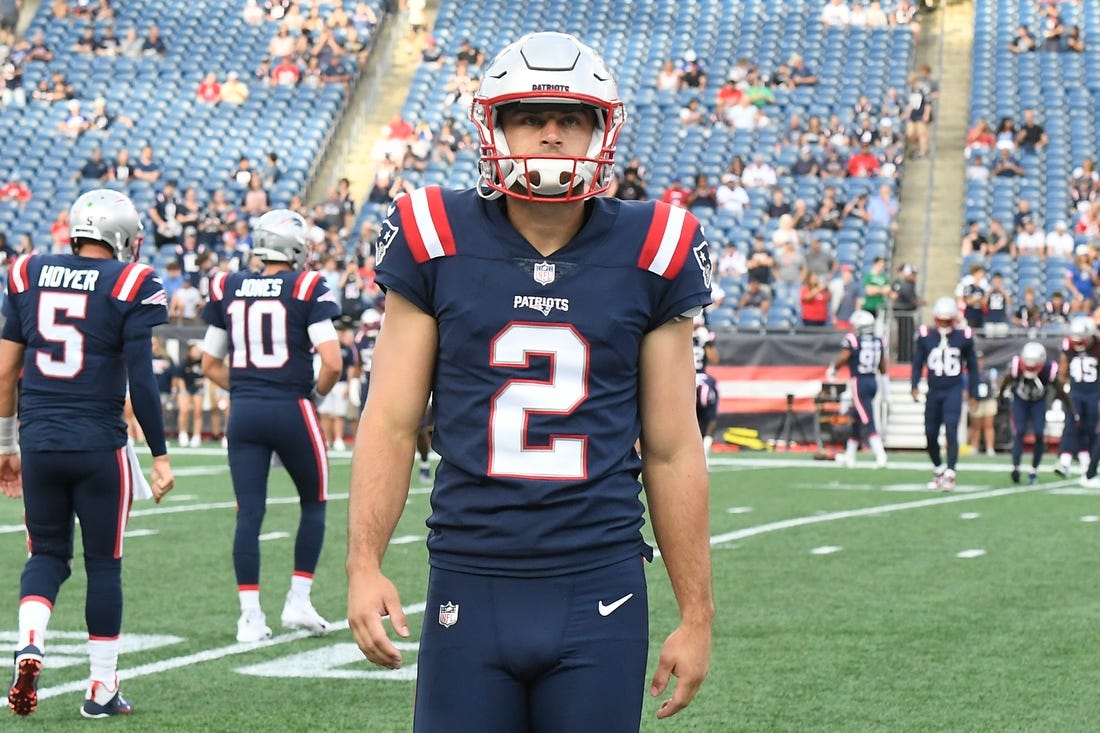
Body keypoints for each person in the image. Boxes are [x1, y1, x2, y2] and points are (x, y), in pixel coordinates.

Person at [345, 32, 713, 732]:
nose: (550, 134)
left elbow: (671, 447)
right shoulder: (434, 232)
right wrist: (364, 563)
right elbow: (390, 420)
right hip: (469, 575)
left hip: (599, 581)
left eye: (570, 118)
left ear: (600, 130)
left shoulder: (656, 246)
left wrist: (697, 613)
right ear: (494, 125)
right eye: (528, 115)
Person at [1, 189, 174, 718]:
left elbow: (6, 371)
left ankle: (30, 642)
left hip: (40, 441)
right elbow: (142, 381)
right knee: (104, 564)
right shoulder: (131, 282)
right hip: (99, 445)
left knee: (46, 555)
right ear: (121, 235)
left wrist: (5, 443)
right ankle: (100, 689)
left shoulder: (27, 272)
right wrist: (161, 454)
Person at [200, 209, 342, 643]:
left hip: (244, 412)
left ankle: (249, 617)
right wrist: (311, 395)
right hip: (290, 407)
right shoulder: (305, 286)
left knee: (249, 513)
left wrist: (247, 387)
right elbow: (333, 362)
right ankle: (298, 599)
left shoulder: (229, 285)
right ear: (295, 247)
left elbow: (209, 363)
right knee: (314, 502)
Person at [911, 296, 980, 491]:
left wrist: (974, 392)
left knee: (951, 429)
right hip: (933, 390)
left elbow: (973, 367)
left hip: (953, 389)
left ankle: (951, 472)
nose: (943, 324)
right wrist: (914, 384)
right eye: (940, 320)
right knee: (930, 433)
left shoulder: (963, 337)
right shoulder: (926, 336)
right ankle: (939, 469)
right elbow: (917, 363)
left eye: (946, 320)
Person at [997, 342, 1072, 484]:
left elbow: (1060, 390)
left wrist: (1070, 408)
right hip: (1021, 400)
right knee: (1019, 432)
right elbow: (1006, 381)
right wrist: (1000, 398)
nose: (1030, 368)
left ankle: (1034, 471)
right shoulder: (1017, 367)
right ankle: (1016, 467)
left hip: (1038, 401)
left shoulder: (1048, 370)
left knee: (1039, 433)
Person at [827, 310, 889, 468]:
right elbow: (882, 367)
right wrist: (885, 388)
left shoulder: (853, 340)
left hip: (859, 381)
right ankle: (850, 455)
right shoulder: (878, 341)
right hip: (872, 381)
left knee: (867, 419)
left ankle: (881, 454)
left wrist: (834, 368)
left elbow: (845, 357)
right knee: (856, 419)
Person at [1056, 317, 1100, 476]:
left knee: (1090, 427)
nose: (1079, 342)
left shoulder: (1097, 346)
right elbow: (1063, 367)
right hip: (1075, 391)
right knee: (1072, 423)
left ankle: (1087, 459)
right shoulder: (1068, 344)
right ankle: (1065, 461)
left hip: (1094, 392)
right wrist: (1064, 381)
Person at [693, 322, 719, 465]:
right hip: (679, 379)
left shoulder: (704, 334)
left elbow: (714, 359)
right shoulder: (675, 331)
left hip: (700, 378)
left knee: (709, 394)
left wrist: (707, 342)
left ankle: (705, 446)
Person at [968, 350, 999, 457]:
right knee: (975, 427)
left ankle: (990, 448)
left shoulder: (989, 373)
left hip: (988, 400)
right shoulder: (970, 373)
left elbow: (995, 386)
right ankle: (974, 447)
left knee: (989, 425)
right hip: (975, 401)